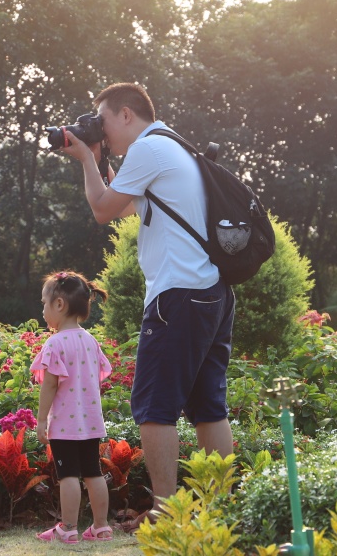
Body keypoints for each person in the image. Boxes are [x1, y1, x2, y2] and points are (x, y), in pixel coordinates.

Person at [58, 82, 235, 532]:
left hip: (177, 295)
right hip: (211, 291)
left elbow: (100, 210)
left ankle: (165, 514)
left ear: (125, 115)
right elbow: (119, 206)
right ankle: (224, 509)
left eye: (103, 121)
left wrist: (85, 159)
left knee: (154, 405)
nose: (102, 130)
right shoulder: (169, 145)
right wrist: (98, 158)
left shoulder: (148, 148)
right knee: (207, 407)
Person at [32, 270, 114, 544]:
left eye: (44, 303)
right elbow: (97, 375)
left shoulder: (55, 343)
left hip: (65, 425)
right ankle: (101, 526)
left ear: (59, 305)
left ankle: (67, 528)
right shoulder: (90, 341)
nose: (43, 310)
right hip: (90, 422)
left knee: (68, 475)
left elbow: (50, 386)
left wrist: (42, 420)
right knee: (93, 473)